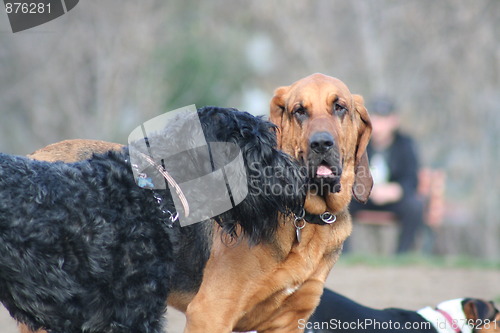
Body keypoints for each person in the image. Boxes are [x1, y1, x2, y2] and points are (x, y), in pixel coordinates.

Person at [349, 97, 424, 254]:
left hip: (393, 199)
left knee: (414, 207)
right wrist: (367, 189)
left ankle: (403, 255)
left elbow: (412, 177)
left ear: (393, 122)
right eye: (375, 118)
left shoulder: (405, 144)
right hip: (363, 196)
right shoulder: (358, 141)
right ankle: (343, 254)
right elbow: (348, 172)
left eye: (384, 119)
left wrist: (398, 190)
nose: (379, 124)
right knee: (341, 203)